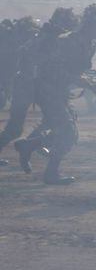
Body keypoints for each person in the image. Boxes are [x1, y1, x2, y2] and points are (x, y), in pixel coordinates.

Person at [14, 4, 96, 184]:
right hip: (47, 90)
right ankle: (50, 173)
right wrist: (82, 81)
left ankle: (29, 145)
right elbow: (53, 69)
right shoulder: (70, 41)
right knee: (67, 132)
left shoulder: (86, 42)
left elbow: (74, 69)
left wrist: (89, 82)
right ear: (91, 25)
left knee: (69, 133)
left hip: (58, 91)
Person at [0, 17, 40, 167]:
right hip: (11, 87)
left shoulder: (17, 47)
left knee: (15, 128)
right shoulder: (9, 48)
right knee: (15, 128)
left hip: (12, 86)